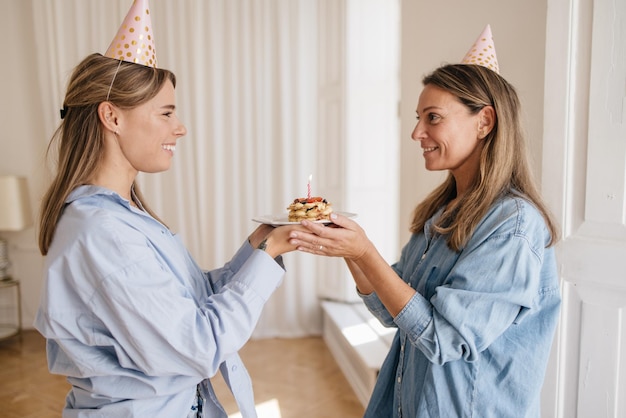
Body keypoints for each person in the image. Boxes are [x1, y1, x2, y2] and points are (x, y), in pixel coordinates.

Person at [34, 2, 302, 417]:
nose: (180, 127)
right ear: (112, 117)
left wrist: (257, 248)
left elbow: (185, 306)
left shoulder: (120, 217)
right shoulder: (105, 233)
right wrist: (269, 255)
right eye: (166, 113)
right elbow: (198, 344)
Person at [289, 26, 561, 417]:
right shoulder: (442, 212)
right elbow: (391, 311)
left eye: (432, 118)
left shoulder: (514, 227)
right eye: (418, 118)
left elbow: (443, 338)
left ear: (484, 122)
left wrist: (365, 251)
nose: (417, 132)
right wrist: (347, 248)